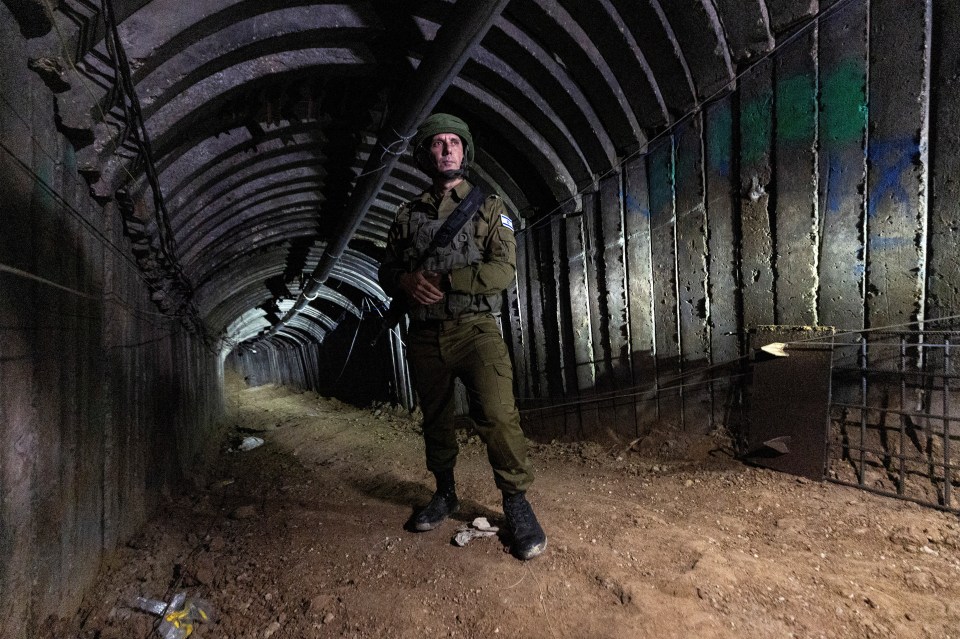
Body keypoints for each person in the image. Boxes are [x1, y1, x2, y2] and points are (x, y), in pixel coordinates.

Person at [377, 113, 547, 560]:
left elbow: (503, 270)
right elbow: (386, 267)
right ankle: (444, 492)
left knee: (497, 413)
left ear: (465, 152)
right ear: (426, 155)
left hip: (475, 330)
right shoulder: (406, 215)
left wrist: (451, 280)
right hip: (425, 334)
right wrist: (405, 282)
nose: (447, 149)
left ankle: (516, 502)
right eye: (437, 143)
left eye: (454, 141)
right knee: (435, 417)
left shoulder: (490, 209)